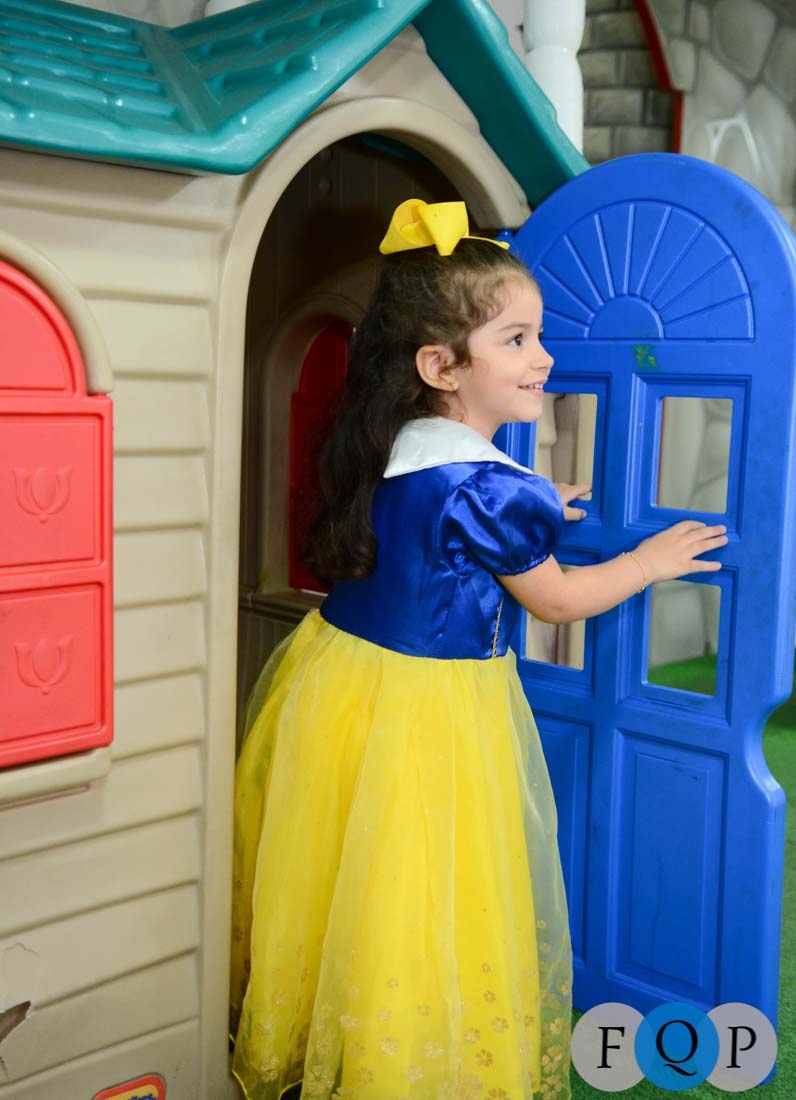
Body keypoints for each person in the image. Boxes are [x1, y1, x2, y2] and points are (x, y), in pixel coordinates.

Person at [229, 199, 728, 1100]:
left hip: (344, 681)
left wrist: (534, 506)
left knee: (358, 875)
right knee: (426, 886)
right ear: (440, 366)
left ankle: (341, 1038)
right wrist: (648, 562)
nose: (545, 358)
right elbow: (560, 600)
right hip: (431, 709)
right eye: (517, 340)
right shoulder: (492, 492)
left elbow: (453, 523)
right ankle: (405, 1059)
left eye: (538, 337)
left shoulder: (403, 449)